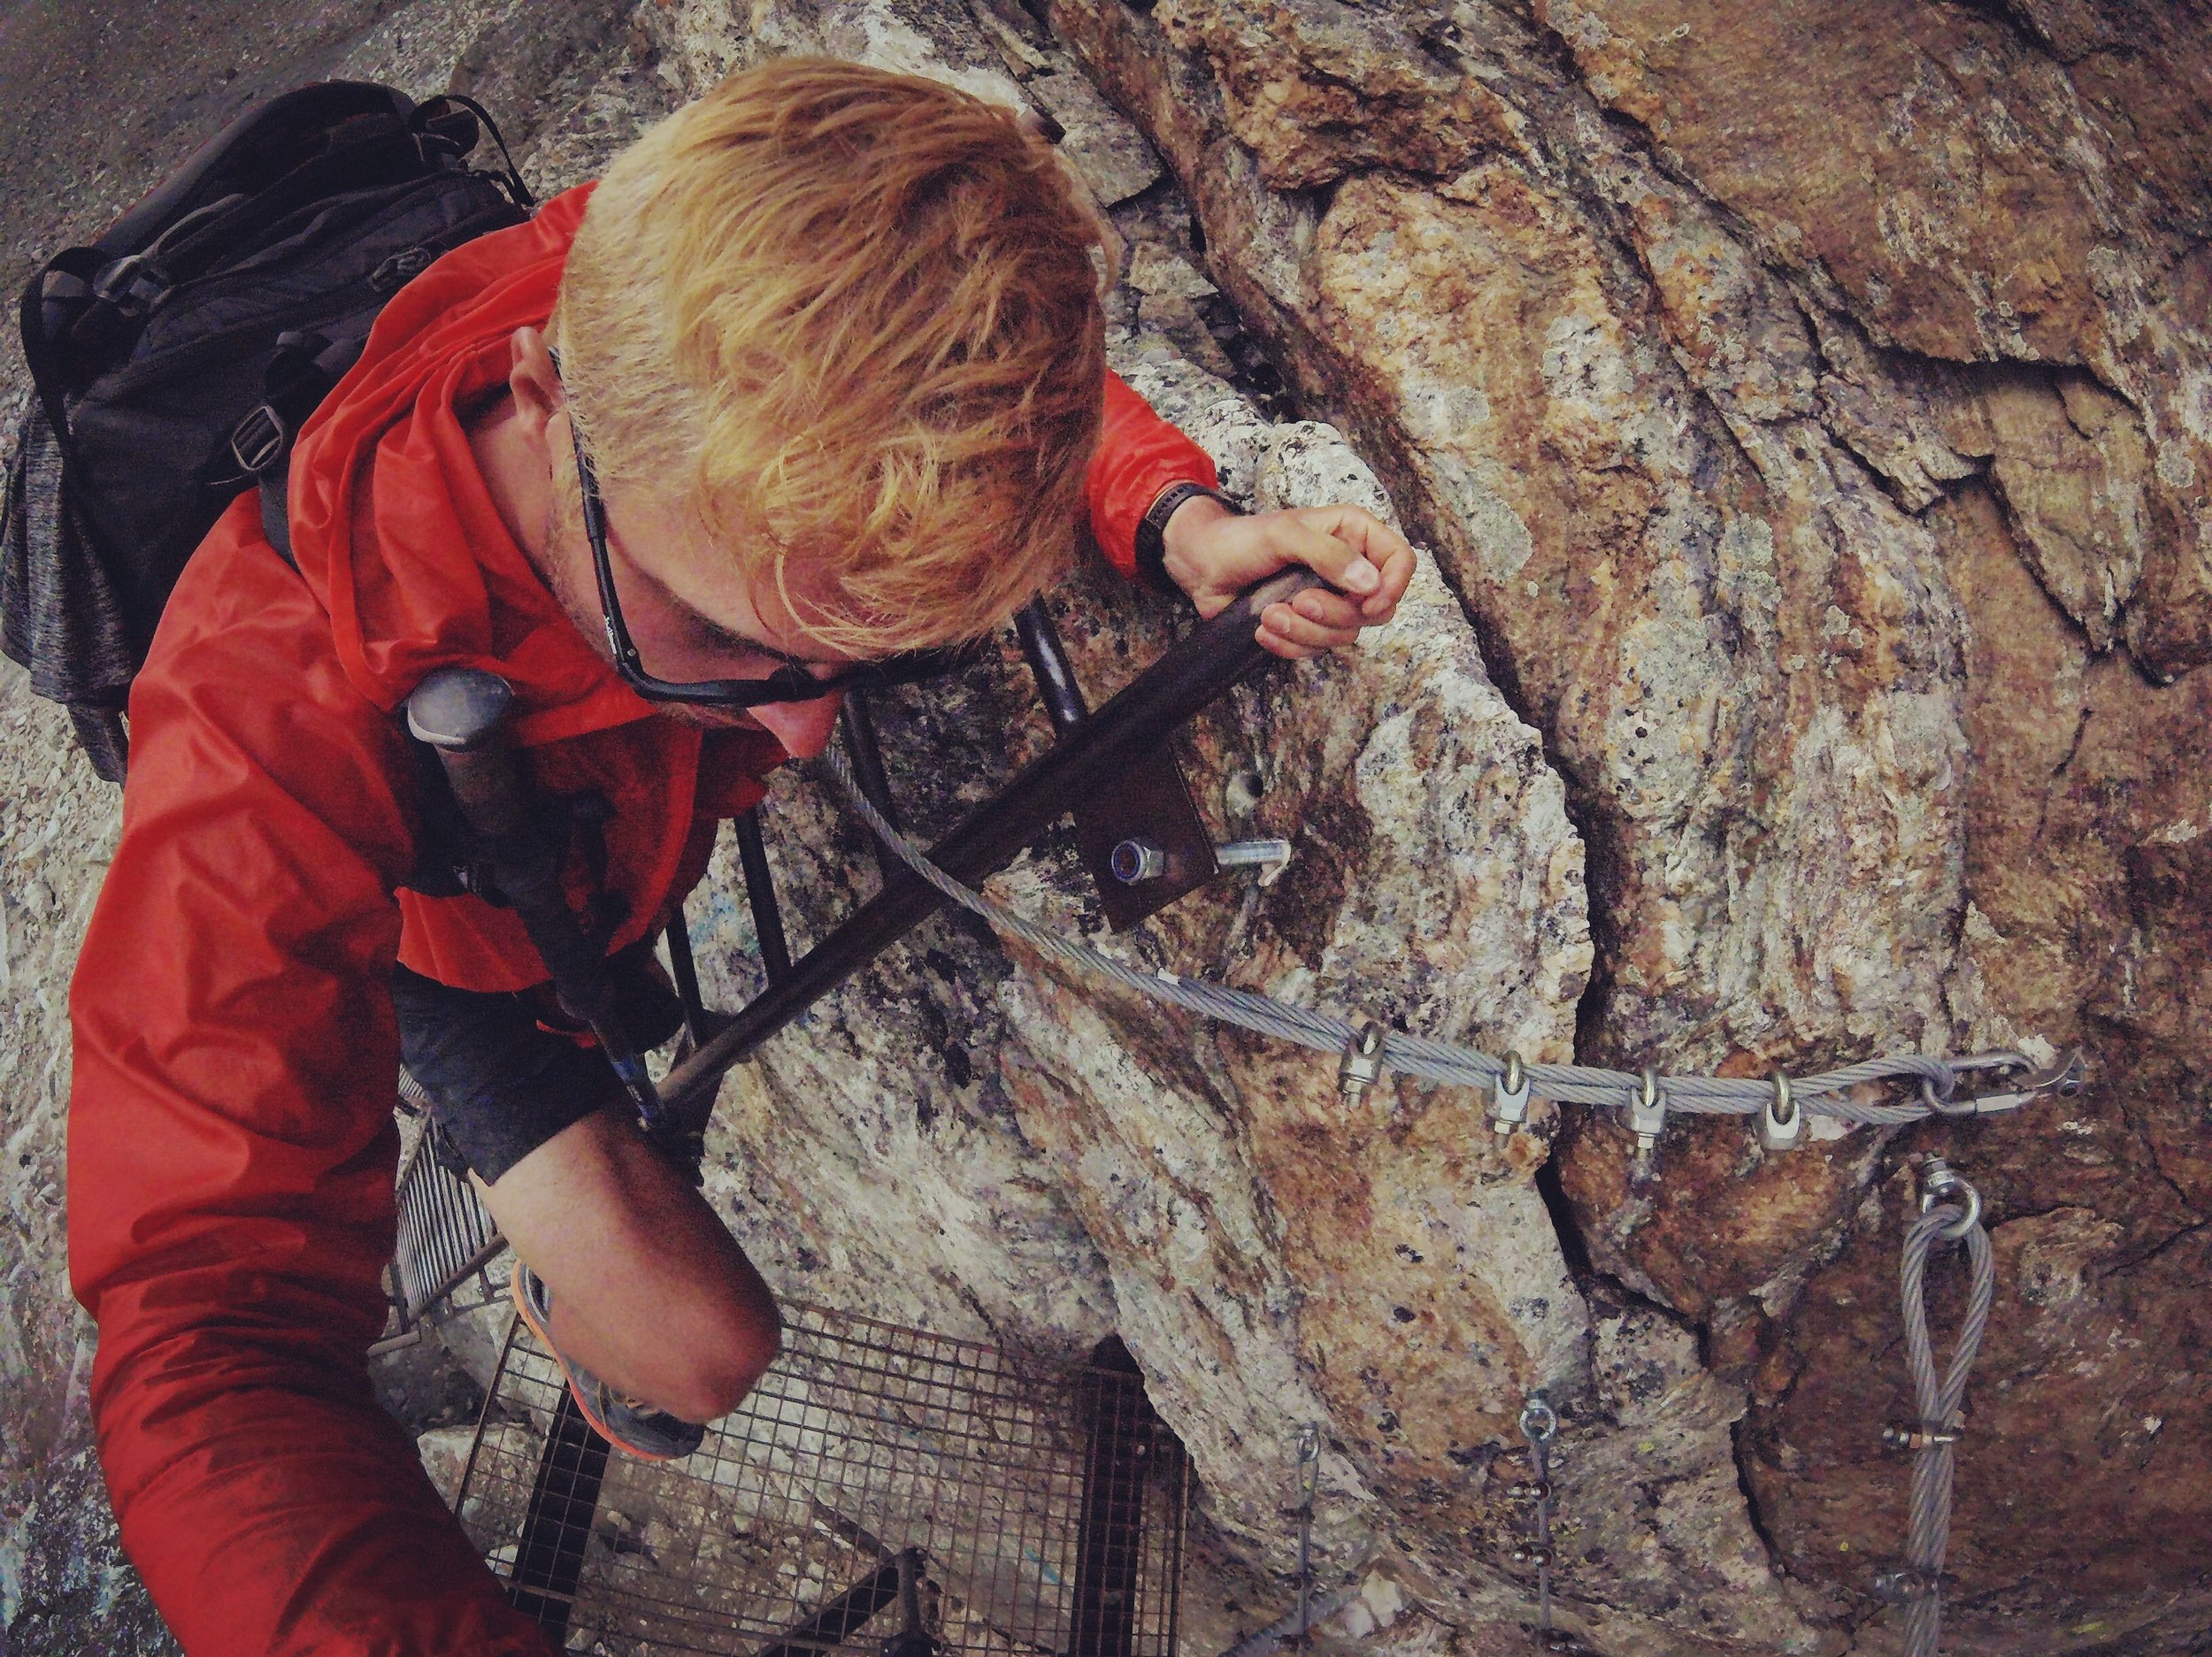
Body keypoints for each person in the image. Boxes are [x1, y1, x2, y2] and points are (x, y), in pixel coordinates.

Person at [65, 58, 1415, 1654]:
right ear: (546, 392)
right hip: (443, 945)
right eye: (719, 632)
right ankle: (554, 1281)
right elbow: (209, 1339)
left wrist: (1172, 516)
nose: (795, 744)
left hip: (582, 854)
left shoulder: (683, 291)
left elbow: (949, 349)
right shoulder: (261, 708)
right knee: (704, 1351)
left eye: (838, 665)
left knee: (642, 1056)